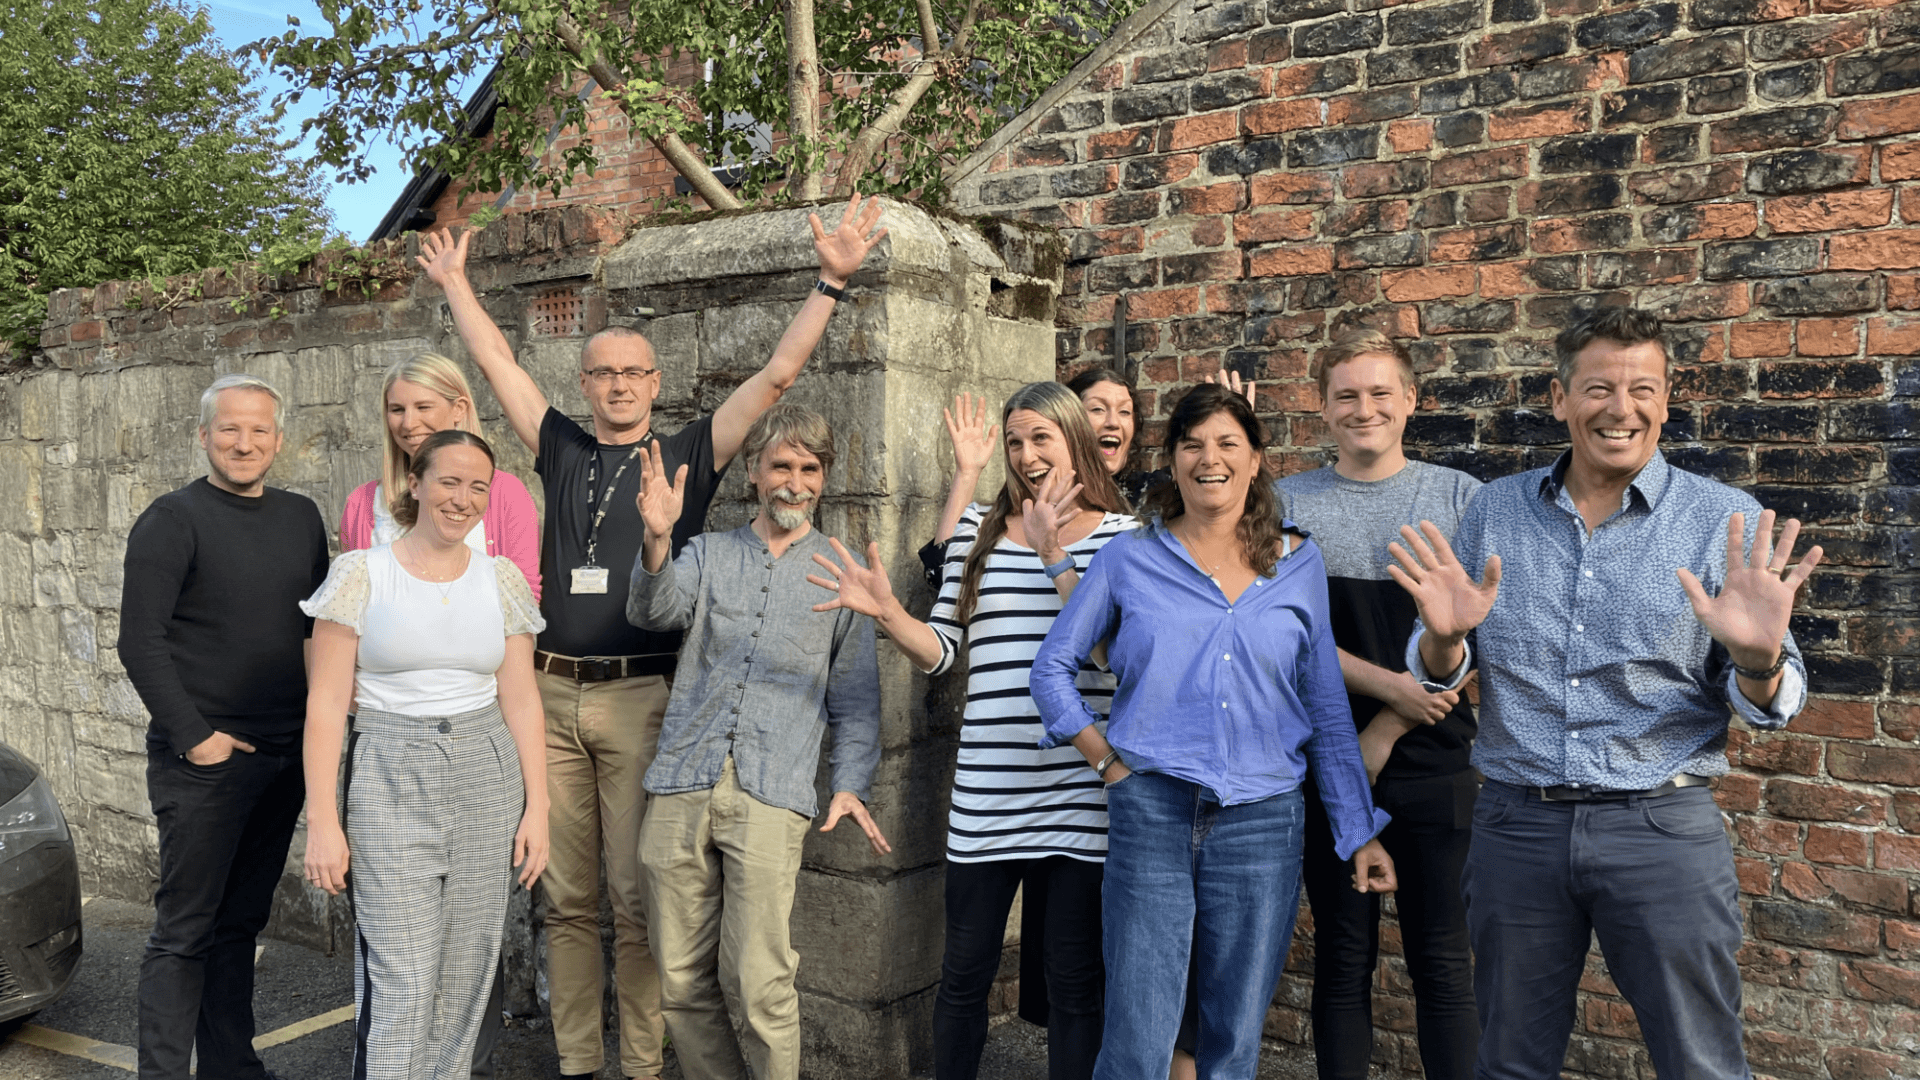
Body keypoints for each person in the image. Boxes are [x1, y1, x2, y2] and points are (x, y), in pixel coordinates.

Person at [415, 194, 887, 1080]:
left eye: (635, 372)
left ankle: (641, 1066)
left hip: (642, 700)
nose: (620, 384)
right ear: (586, 383)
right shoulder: (556, 445)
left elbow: (776, 379)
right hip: (548, 695)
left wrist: (830, 280)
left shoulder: (689, 455)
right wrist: (456, 286)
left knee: (636, 902)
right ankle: (576, 1063)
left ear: (656, 382)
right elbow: (499, 363)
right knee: (561, 896)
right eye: (603, 373)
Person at [1391, 306, 1819, 1080]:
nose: (1621, 409)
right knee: (1509, 1062)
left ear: (1665, 399)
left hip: (1663, 827)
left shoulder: (1722, 520)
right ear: (1559, 398)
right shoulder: (1493, 511)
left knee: (1701, 1063)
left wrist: (1756, 661)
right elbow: (1435, 672)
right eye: (1598, 388)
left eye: (1642, 390)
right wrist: (1445, 642)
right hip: (1517, 825)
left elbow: (1774, 701)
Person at [1029, 383, 1396, 1080]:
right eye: (1192, 445)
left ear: (1257, 460)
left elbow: (1322, 703)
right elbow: (1052, 671)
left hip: (1265, 821)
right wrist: (1108, 765)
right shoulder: (1129, 559)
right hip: (1153, 810)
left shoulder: (1296, 563)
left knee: (1232, 1041)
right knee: (1137, 1038)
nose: (1210, 459)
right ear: (1171, 461)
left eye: (1228, 443)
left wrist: (1358, 830)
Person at [809, 381, 1132, 1080]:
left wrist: (1054, 557)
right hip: (987, 794)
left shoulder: (1123, 537)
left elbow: (1115, 656)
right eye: (1015, 442)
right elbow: (945, 653)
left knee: (1075, 984)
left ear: (1075, 438)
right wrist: (891, 615)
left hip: (1083, 792)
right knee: (964, 976)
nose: (1025, 454)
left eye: (1041, 438)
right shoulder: (980, 532)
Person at [623, 404, 887, 1080]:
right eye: (780, 466)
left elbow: (856, 703)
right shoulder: (708, 553)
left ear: (823, 479)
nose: (793, 481)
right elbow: (653, 611)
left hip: (774, 794)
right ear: (754, 472)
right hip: (682, 782)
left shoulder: (843, 573)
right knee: (679, 981)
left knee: (763, 983)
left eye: (808, 468)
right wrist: (656, 540)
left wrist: (850, 783)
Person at [299, 430, 551, 1080]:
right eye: (449, 481)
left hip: (484, 775)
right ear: (416, 483)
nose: (462, 498)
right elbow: (325, 707)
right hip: (389, 775)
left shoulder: (502, 581)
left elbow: (521, 699)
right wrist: (323, 823)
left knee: (465, 984)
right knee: (404, 982)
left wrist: (539, 809)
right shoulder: (362, 573)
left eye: (477, 486)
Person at [1273, 330, 1481, 1080]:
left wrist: (1395, 719)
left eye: (1380, 393)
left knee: (1443, 964)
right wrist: (1385, 691)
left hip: (1433, 763)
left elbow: (1477, 631)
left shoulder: (1459, 497)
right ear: (1322, 409)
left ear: (1412, 402)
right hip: (1327, 763)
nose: (1365, 409)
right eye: (1346, 396)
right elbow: (1284, 640)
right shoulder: (1286, 503)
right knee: (1342, 959)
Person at [118, 374, 331, 1080]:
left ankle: (231, 1068)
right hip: (204, 764)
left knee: (240, 925)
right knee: (184, 933)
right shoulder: (172, 519)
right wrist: (195, 737)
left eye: (259, 430)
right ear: (203, 435)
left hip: (282, 758)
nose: (245, 443)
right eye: (230, 429)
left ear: (279, 438)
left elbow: (315, 635)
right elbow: (139, 642)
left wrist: (315, 734)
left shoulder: (301, 518)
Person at [339, 352, 541, 597]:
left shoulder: (505, 493)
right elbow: (348, 605)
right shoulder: (362, 504)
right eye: (397, 409)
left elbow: (523, 598)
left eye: (423, 407)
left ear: (459, 409)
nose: (409, 423)